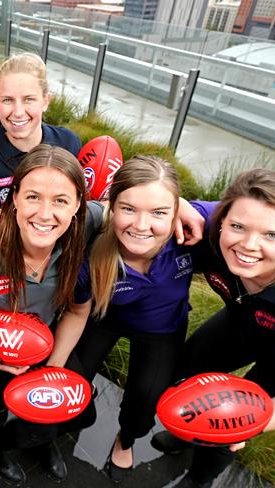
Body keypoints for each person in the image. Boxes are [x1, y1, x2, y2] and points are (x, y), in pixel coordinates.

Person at [151, 169, 275, 488]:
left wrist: (249, 422)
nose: (248, 245)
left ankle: (199, 479)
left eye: (272, 235)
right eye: (237, 226)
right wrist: (174, 201)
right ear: (221, 223)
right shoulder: (209, 238)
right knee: (186, 370)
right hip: (242, 321)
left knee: (228, 422)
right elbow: (148, 200)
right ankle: (186, 434)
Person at [50, 156, 215, 483]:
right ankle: (66, 420)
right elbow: (77, 312)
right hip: (103, 317)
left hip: (162, 328)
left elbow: (260, 215)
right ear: (112, 206)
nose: (141, 225)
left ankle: (125, 441)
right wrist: (53, 369)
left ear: (174, 212)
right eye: (128, 209)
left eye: (158, 212)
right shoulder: (92, 257)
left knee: (145, 400)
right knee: (71, 378)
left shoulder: (192, 228)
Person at [0, 145, 103, 483]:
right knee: (13, 404)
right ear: (14, 197)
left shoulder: (84, 229)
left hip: (51, 346)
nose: (46, 213)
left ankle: (42, 437)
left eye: (61, 201)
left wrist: (53, 370)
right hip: (1, 352)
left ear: (78, 205)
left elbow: (79, 310)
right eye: (33, 197)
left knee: (80, 415)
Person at [0, 52, 82, 207]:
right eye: (7, 100)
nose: (18, 112)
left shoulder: (69, 143)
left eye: (29, 99)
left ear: (45, 101)